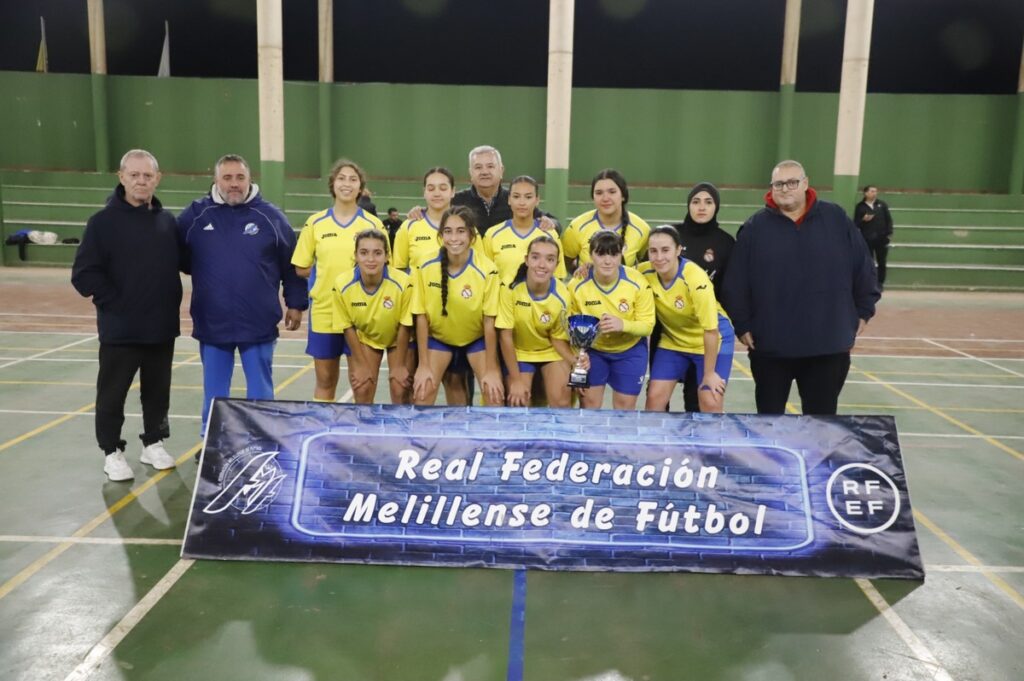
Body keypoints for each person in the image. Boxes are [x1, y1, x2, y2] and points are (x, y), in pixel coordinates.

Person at [723, 160, 880, 415]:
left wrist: (864, 310)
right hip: (771, 348)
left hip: (827, 347)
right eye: (779, 184)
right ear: (772, 187)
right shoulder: (754, 228)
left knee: (821, 425)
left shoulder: (836, 219)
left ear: (805, 184)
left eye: (792, 182)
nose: (785, 189)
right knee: (769, 425)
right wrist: (742, 324)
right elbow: (736, 283)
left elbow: (863, 266)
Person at [72, 149, 182, 481]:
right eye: (134, 175)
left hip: (161, 328)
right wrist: (115, 303)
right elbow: (84, 275)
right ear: (121, 177)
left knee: (157, 392)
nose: (141, 181)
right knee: (112, 393)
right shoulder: (101, 223)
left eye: (147, 175)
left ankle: (154, 443)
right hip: (120, 329)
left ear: (157, 179)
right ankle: (112, 451)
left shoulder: (167, 222)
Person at [178, 154, 306, 434]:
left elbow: (291, 263)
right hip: (212, 322)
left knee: (260, 390)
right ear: (216, 180)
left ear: (250, 179)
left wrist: (295, 303)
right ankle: (211, 443)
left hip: (258, 322)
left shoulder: (271, 216)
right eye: (227, 177)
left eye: (240, 177)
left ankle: (262, 441)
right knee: (214, 391)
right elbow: (177, 257)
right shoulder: (195, 215)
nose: (234, 184)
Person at [292, 159, 386, 402]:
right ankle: (325, 438)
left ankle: (361, 438)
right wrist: (326, 277)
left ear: (360, 188)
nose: (347, 184)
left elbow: (386, 267)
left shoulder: (373, 224)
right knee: (325, 384)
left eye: (353, 179)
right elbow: (301, 267)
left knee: (363, 385)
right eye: (341, 178)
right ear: (333, 185)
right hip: (325, 312)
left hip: (362, 314)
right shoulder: (315, 223)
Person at [411, 206, 503, 406]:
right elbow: (420, 317)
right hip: (440, 340)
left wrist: (492, 369)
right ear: (440, 234)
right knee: (422, 394)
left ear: (471, 235)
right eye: (448, 231)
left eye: (461, 231)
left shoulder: (487, 270)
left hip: (475, 340)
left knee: (494, 394)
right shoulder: (424, 266)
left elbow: (489, 321)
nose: (454, 238)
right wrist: (423, 365)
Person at [641, 226, 734, 413]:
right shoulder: (644, 273)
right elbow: (617, 274)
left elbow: (710, 330)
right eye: (653, 251)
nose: (659, 257)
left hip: (713, 339)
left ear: (678, 250)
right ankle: (655, 443)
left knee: (710, 400)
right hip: (674, 341)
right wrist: (589, 268)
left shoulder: (695, 279)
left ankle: (711, 441)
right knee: (654, 399)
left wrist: (709, 374)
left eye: (665, 250)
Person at [567, 231, 655, 410]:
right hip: (594, 353)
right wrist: (579, 356)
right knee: (589, 406)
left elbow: (648, 326)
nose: (607, 261)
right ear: (591, 255)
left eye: (613, 254)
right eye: (600, 254)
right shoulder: (577, 285)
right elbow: (570, 328)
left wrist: (623, 324)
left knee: (624, 410)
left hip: (629, 352)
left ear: (621, 253)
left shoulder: (637, 282)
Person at [329, 230, 413, 404]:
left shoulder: (404, 283)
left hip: (400, 338)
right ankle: (367, 429)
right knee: (363, 388)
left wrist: (398, 366)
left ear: (387, 256)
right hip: (367, 338)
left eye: (377, 253)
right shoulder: (342, 284)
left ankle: (400, 430)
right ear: (356, 256)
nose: (371, 259)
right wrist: (360, 365)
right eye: (364, 252)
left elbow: (406, 325)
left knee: (400, 387)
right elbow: (347, 327)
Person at [672, 182, 735, 412]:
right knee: (658, 396)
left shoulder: (726, 243)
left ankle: (698, 448)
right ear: (688, 205)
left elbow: (730, 288)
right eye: (696, 201)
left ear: (716, 207)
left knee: (698, 396)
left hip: (708, 331)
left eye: (708, 202)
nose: (702, 207)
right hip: (673, 331)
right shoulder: (672, 235)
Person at [497, 235, 577, 407]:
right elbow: (505, 336)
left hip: (549, 351)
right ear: (526, 260)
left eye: (550, 259)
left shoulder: (562, 295)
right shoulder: (510, 287)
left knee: (563, 400)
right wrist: (516, 380)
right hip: (520, 352)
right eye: (535, 257)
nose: (541, 265)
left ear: (556, 265)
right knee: (518, 401)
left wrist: (576, 363)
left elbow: (557, 338)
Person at [406, 145, 558, 235]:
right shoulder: (456, 201)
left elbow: (555, 222)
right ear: (470, 173)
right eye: (478, 167)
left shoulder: (515, 200)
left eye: (490, 166)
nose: (484, 172)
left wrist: (549, 223)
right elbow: (432, 214)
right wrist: (418, 212)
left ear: (501, 170)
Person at [562, 169, 651, 276]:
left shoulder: (642, 229)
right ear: (593, 197)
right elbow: (565, 262)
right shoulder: (577, 226)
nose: (605, 198)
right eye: (599, 193)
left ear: (623, 195)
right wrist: (580, 272)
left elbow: (647, 264)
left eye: (612, 192)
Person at [482, 175, 568, 284]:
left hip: (538, 301)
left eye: (528, 197)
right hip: (503, 301)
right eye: (516, 196)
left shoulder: (550, 235)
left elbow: (558, 279)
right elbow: (485, 278)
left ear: (537, 200)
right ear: (509, 199)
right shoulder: (492, 234)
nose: (522, 202)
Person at [853, 185, 894, 291]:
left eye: (875, 191)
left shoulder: (882, 205)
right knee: (869, 262)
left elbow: (888, 220)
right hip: (867, 239)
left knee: (882, 262)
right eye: (872, 191)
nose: (874, 193)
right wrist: (863, 220)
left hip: (881, 239)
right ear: (865, 193)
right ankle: (870, 283)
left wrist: (888, 233)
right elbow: (856, 223)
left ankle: (880, 283)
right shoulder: (860, 206)